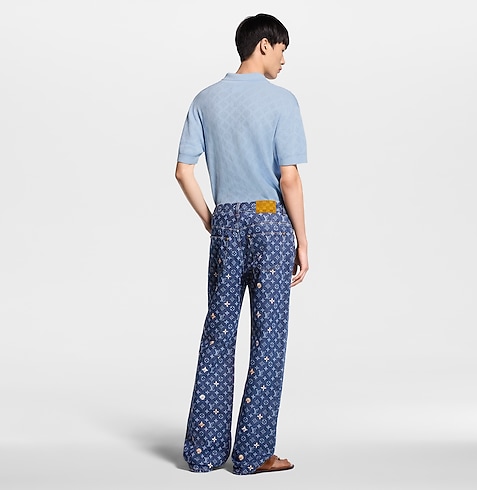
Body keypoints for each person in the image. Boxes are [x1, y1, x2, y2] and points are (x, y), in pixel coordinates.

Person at [175, 13, 308, 475]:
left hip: (227, 222)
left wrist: (211, 218)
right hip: (271, 223)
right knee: (268, 338)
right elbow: (289, 179)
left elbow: (183, 172)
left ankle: (205, 452)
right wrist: (303, 240)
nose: (284, 59)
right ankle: (254, 454)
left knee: (219, 330)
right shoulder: (283, 101)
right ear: (264, 45)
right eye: (282, 49)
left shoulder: (205, 99)